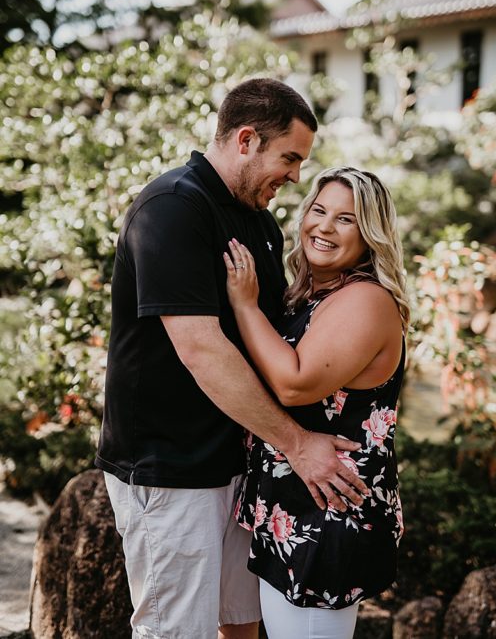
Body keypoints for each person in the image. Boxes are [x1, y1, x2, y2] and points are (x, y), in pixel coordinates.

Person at [95, 78, 369, 639]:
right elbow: (202, 349)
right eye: (290, 158)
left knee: (241, 625)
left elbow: (278, 333)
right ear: (246, 139)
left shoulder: (258, 221)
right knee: (176, 632)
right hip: (171, 470)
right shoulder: (172, 208)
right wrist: (299, 445)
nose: (295, 176)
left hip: (238, 464)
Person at [224, 167, 409, 639]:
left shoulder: (366, 299)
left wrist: (245, 307)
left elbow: (294, 384)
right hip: (290, 505)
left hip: (326, 513)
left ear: (370, 236)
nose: (324, 227)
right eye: (318, 210)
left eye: (345, 219)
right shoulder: (312, 296)